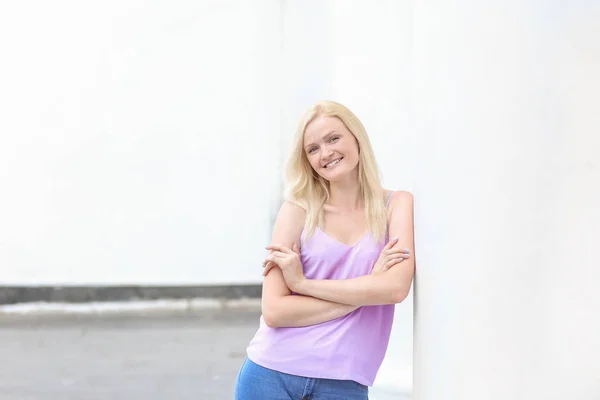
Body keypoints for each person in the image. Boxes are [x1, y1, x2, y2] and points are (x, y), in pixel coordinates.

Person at [234, 100, 415, 400]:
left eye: (333, 139)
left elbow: (395, 288)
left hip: (344, 382)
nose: (326, 153)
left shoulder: (396, 205)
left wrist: (302, 284)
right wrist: (367, 289)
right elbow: (275, 311)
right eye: (313, 149)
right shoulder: (296, 211)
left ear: (356, 137)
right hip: (270, 374)